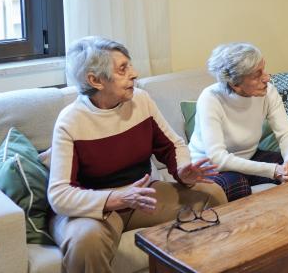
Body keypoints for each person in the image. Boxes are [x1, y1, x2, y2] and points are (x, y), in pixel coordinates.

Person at [48, 37, 224, 273]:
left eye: (130, 65)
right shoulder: (71, 121)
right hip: (94, 207)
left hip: (141, 196)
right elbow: (59, 195)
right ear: (95, 80)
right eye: (123, 69)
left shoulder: (140, 100)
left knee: (211, 194)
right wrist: (117, 198)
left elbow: (173, 145)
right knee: (86, 242)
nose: (134, 73)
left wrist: (183, 170)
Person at [189, 42, 288, 201]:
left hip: (248, 158)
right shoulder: (210, 98)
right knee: (237, 184)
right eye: (257, 75)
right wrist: (273, 170)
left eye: (263, 69)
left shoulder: (268, 91)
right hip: (211, 168)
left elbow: (287, 134)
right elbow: (218, 158)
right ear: (235, 84)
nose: (266, 78)